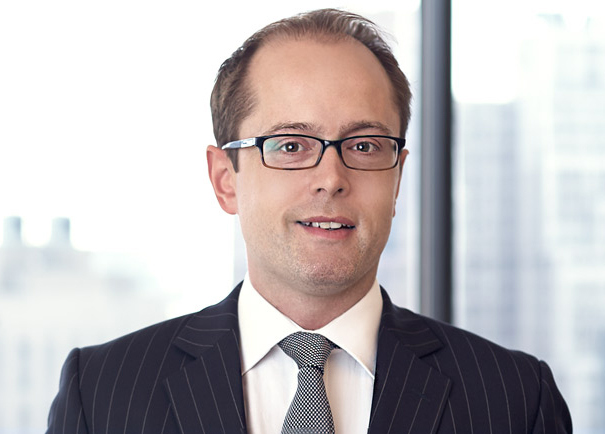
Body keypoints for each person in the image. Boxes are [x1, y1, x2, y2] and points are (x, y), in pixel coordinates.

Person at [46, 8, 571, 434]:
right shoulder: (103, 393)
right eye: (291, 145)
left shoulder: (515, 399)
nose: (331, 178)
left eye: (364, 146)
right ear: (225, 179)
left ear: (397, 180)